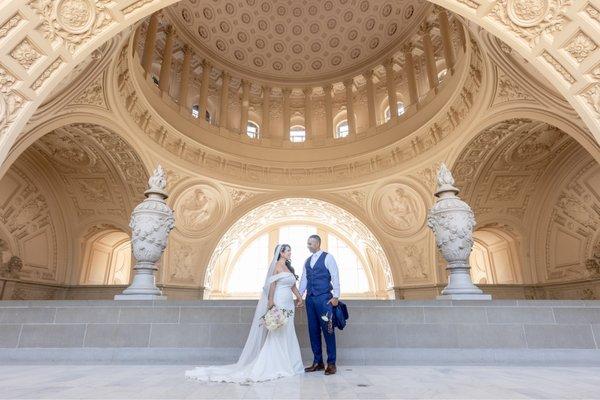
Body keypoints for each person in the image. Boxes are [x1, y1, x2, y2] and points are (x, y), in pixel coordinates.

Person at [185, 244, 304, 383]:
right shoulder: (277, 266)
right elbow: (271, 285)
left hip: (289, 303)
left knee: (288, 330)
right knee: (277, 331)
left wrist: (300, 298)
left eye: (290, 250)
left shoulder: (289, 267)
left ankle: (291, 363)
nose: (290, 253)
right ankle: (277, 364)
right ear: (281, 253)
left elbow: (293, 286)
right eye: (288, 251)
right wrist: (271, 301)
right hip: (279, 300)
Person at [298, 234, 341, 375]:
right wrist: (300, 296)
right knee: (313, 330)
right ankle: (318, 362)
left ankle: (331, 363)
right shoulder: (307, 261)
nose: (308, 246)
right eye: (308, 243)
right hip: (310, 299)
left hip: (324, 299)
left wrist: (336, 296)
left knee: (328, 330)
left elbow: (335, 276)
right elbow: (304, 280)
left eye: (310, 243)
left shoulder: (328, 257)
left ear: (317, 243)